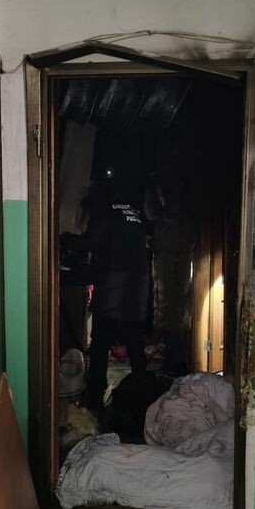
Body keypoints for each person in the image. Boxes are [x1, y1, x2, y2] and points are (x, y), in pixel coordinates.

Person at [82, 171, 151, 415]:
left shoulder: (107, 212)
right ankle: (144, 394)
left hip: (113, 287)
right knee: (135, 343)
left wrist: (72, 241)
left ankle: (95, 398)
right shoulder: (137, 214)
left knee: (100, 342)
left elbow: (90, 243)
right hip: (138, 287)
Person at [144, 172, 195, 375]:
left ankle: (176, 365)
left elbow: (153, 213)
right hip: (177, 253)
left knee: (168, 307)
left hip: (169, 254)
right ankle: (176, 363)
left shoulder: (171, 208)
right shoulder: (185, 201)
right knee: (174, 308)